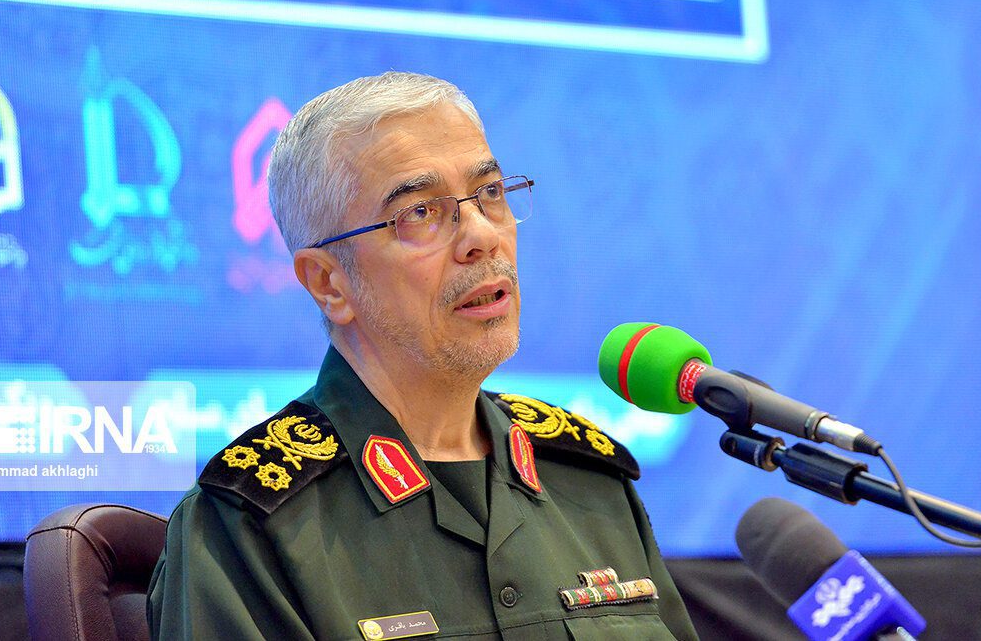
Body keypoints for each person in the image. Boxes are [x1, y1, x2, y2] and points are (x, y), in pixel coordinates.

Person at [147, 72, 698, 640]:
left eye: (490, 193)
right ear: (329, 283)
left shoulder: (590, 483)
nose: (481, 235)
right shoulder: (250, 525)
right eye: (419, 213)